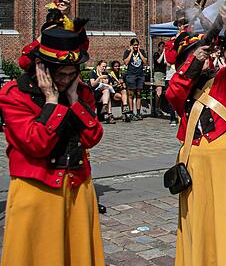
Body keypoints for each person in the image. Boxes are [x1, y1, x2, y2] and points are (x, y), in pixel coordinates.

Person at [0, 28, 105, 266]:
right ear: (41, 67)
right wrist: (51, 102)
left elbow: (93, 137)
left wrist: (76, 102)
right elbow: (36, 144)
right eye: (60, 74)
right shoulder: (14, 95)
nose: (65, 80)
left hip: (78, 187)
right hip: (37, 189)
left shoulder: (80, 93)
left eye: (71, 74)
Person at [166, 1, 226, 265]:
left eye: (205, 53)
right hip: (196, 168)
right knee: (200, 227)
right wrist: (193, 62)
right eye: (197, 54)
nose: (206, 58)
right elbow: (174, 94)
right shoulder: (181, 84)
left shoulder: (224, 80)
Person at [122, 38, 148, 120]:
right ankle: (131, 112)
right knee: (131, 94)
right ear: (131, 46)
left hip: (140, 75)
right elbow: (126, 62)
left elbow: (145, 62)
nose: (136, 46)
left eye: (137, 45)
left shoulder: (142, 52)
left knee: (139, 94)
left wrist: (139, 52)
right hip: (131, 75)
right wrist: (131, 52)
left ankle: (138, 112)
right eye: (134, 45)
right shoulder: (127, 52)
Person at [152, 41, 169, 118]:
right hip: (158, 73)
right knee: (159, 91)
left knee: (163, 92)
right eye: (162, 46)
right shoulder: (156, 54)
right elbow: (158, 61)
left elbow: (166, 62)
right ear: (159, 47)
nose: (163, 48)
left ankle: (160, 108)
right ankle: (156, 108)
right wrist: (163, 53)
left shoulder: (165, 55)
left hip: (164, 73)